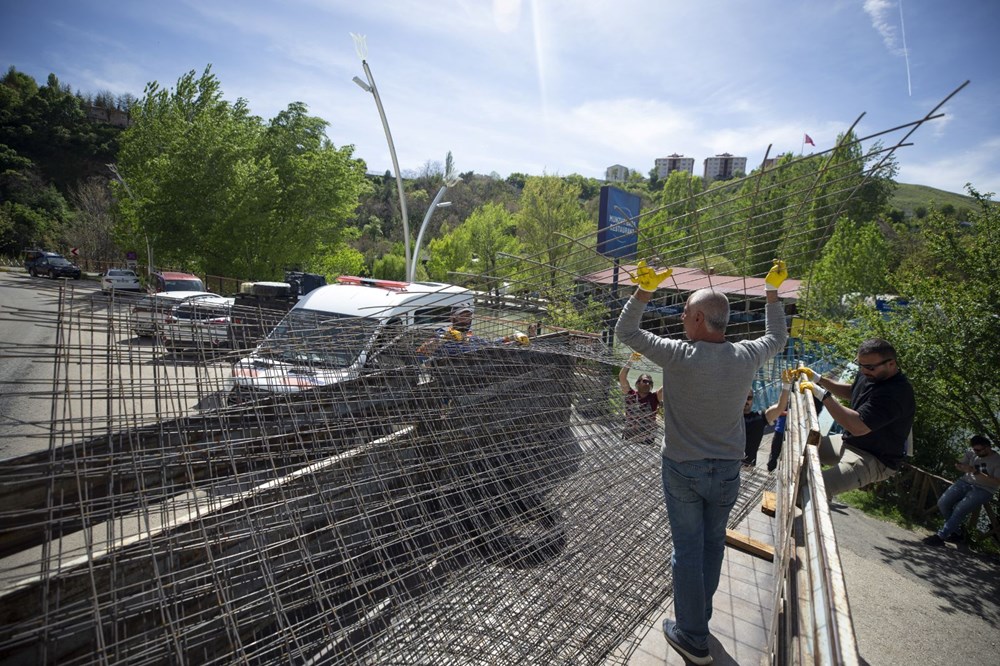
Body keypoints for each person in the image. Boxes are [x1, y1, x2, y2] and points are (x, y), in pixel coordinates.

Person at [616, 258, 789, 665]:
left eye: (684, 311)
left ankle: (692, 635)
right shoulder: (746, 355)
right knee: (712, 546)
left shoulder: (678, 355)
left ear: (696, 318)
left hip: (682, 469)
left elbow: (626, 331)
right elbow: (777, 336)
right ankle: (700, 620)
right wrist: (772, 293)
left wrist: (643, 291)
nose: (680, 317)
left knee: (687, 551)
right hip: (728, 470)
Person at [795, 338, 916, 499]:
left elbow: (857, 427)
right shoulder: (871, 374)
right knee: (799, 449)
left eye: (870, 367)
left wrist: (823, 395)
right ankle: (795, 496)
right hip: (850, 441)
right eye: (861, 365)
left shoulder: (897, 393)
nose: (864, 371)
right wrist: (820, 380)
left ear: (891, 364)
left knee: (814, 490)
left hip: (873, 458)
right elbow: (853, 392)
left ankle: (799, 506)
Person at [924, 435, 1000, 546]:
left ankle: (940, 536)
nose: (976, 452)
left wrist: (975, 472)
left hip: (984, 489)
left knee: (959, 509)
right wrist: (960, 466)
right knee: (943, 503)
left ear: (987, 447)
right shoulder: (972, 452)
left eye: (978, 450)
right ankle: (957, 533)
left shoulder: (997, 461)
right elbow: (959, 463)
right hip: (965, 482)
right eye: (974, 449)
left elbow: (997, 482)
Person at [742, 369, 794, 467]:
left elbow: (780, 408)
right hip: (726, 464)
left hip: (746, 466)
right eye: (743, 397)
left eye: (749, 398)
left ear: (753, 399)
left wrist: (786, 385)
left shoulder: (758, 418)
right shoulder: (729, 416)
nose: (746, 401)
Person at [619, 352, 664, 447]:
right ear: (638, 383)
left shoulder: (654, 397)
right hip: (629, 438)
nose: (647, 384)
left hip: (647, 440)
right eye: (644, 381)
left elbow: (667, 385)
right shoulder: (630, 394)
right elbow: (622, 377)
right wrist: (631, 360)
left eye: (649, 382)